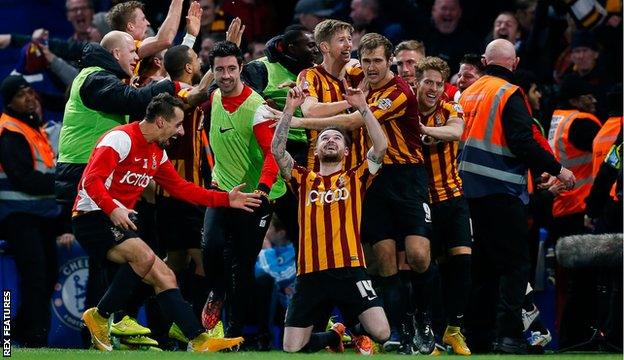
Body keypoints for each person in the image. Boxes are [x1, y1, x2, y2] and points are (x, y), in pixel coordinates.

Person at [73, 93, 260, 352]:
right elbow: (91, 181)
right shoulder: (120, 138)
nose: (181, 132)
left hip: (118, 219)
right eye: (178, 124)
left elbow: (182, 188)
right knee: (145, 257)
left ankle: (198, 340)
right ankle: (101, 316)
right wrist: (113, 209)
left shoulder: (156, 153)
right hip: (91, 216)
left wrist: (226, 199)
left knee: (166, 276)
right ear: (161, 122)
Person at [282, 33, 431, 354]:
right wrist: (298, 97)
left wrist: (297, 119)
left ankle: (425, 323)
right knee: (384, 259)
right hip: (372, 178)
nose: (372, 68)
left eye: (378, 61)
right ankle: (396, 332)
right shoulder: (355, 73)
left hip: (405, 176)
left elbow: (353, 120)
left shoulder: (400, 91)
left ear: (388, 61)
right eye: (366, 61)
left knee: (418, 255)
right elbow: (335, 65)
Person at [458, 39, 575, 354]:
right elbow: (522, 142)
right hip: (501, 189)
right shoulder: (508, 93)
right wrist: (558, 169)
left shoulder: (467, 93)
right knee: (514, 266)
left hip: (468, 191)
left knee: (482, 267)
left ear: (485, 60)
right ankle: (508, 335)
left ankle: (477, 335)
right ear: (515, 62)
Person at [271, 82, 390, 355]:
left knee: (382, 333)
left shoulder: (356, 177)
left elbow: (380, 147)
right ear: (315, 150)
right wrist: (289, 109)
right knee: (292, 348)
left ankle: (355, 329)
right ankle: (333, 337)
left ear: (346, 151)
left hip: (350, 269)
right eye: (324, 138)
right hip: (310, 273)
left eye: (337, 138)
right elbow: (278, 151)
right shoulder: (302, 178)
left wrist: (362, 107)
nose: (330, 141)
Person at [201, 41, 286, 339]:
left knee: (243, 265)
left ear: (241, 69)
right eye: (220, 69)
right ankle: (218, 291)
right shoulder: (213, 99)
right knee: (210, 247)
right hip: (223, 191)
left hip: (255, 197)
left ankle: (234, 334)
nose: (226, 75)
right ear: (212, 72)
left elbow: (273, 153)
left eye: (231, 69)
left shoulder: (257, 109)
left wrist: (261, 190)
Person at [0, 75, 65, 347]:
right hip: (17, 215)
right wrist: (61, 183)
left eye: (30, 92)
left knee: (48, 275)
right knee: (35, 275)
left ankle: (23, 331)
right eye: (21, 94)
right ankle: (32, 338)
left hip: (42, 214)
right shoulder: (10, 129)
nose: (29, 97)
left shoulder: (30, 125)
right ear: (10, 101)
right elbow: (23, 178)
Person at [414, 57, 471, 356]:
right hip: (422, 201)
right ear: (418, 82)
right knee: (428, 270)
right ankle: (429, 335)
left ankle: (454, 330)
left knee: (462, 262)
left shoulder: (450, 106)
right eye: (428, 82)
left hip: (453, 196)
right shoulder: (405, 107)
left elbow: (456, 132)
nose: (434, 88)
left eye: (438, 83)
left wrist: (425, 131)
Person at [296, 19, 365, 171]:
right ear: (325, 47)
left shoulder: (358, 74)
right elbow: (311, 111)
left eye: (349, 39)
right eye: (341, 40)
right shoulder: (309, 75)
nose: (348, 45)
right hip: (318, 170)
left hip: (356, 170)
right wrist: (351, 102)